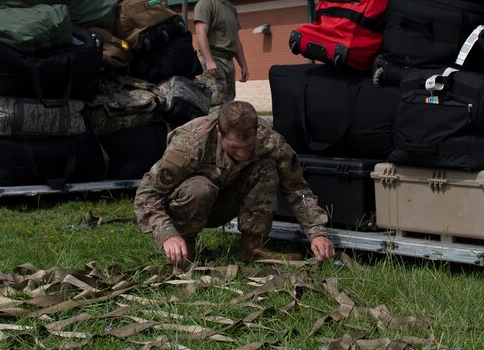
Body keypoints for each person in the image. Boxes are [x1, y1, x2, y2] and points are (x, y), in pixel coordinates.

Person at [135, 101, 335, 264]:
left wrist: (317, 232)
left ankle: (252, 248)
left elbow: (297, 189)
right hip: (190, 204)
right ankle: (184, 250)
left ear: (256, 132)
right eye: (234, 147)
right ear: (219, 134)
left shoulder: (271, 142)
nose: (242, 153)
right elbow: (147, 195)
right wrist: (167, 234)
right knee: (200, 188)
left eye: (247, 146)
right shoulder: (189, 146)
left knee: (265, 168)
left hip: (228, 201)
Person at [191, 0, 246, 107]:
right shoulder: (206, 4)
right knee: (216, 105)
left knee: (228, 105)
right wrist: (209, 61)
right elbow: (200, 33)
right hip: (214, 60)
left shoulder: (232, 9)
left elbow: (236, 39)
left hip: (228, 61)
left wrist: (243, 65)